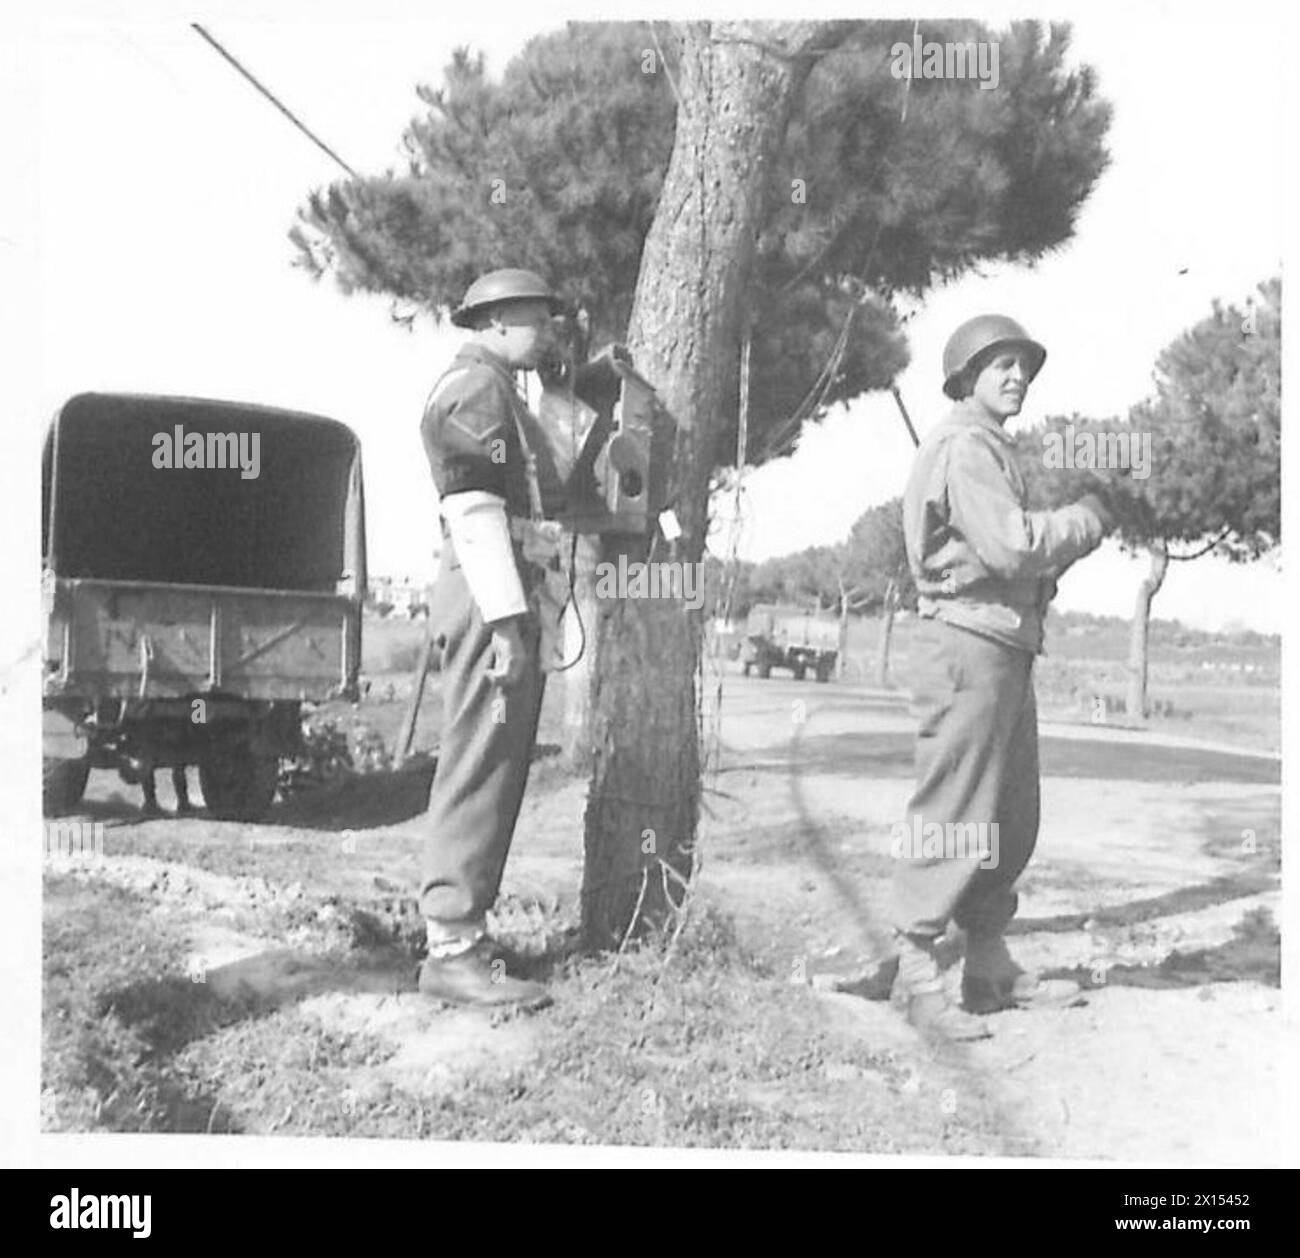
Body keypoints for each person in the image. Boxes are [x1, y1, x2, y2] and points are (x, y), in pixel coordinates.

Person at [888, 314, 1116, 1041]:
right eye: (1000, 366)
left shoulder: (990, 447)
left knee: (1007, 814)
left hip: (1005, 645)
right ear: (965, 379)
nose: (1017, 376)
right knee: (957, 809)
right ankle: (916, 970)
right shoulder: (964, 446)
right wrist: (1085, 520)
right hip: (966, 644)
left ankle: (986, 960)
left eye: (1023, 365)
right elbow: (1013, 547)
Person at [414, 268, 570, 1009]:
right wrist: (508, 623)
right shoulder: (475, 389)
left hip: (501, 589)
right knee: (479, 759)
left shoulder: (499, 388)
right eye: (540, 320)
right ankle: (449, 944)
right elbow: (475, 512)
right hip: (487, 594)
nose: (548, 333)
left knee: (497, 762)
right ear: (501, 319)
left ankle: (465, 934)